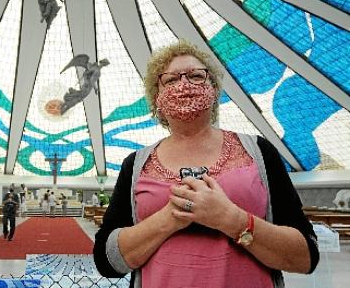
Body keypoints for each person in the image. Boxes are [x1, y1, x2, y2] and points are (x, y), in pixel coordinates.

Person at [93, 40, 319, 288]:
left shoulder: (259, 152)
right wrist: (169, 218)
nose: (184, 84)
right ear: (156, 98)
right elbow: (108, 263)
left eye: (196, 76)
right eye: (170, 80)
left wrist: (230, 219)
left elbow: (305, 257)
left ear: (213, 89)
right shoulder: (135, 164)